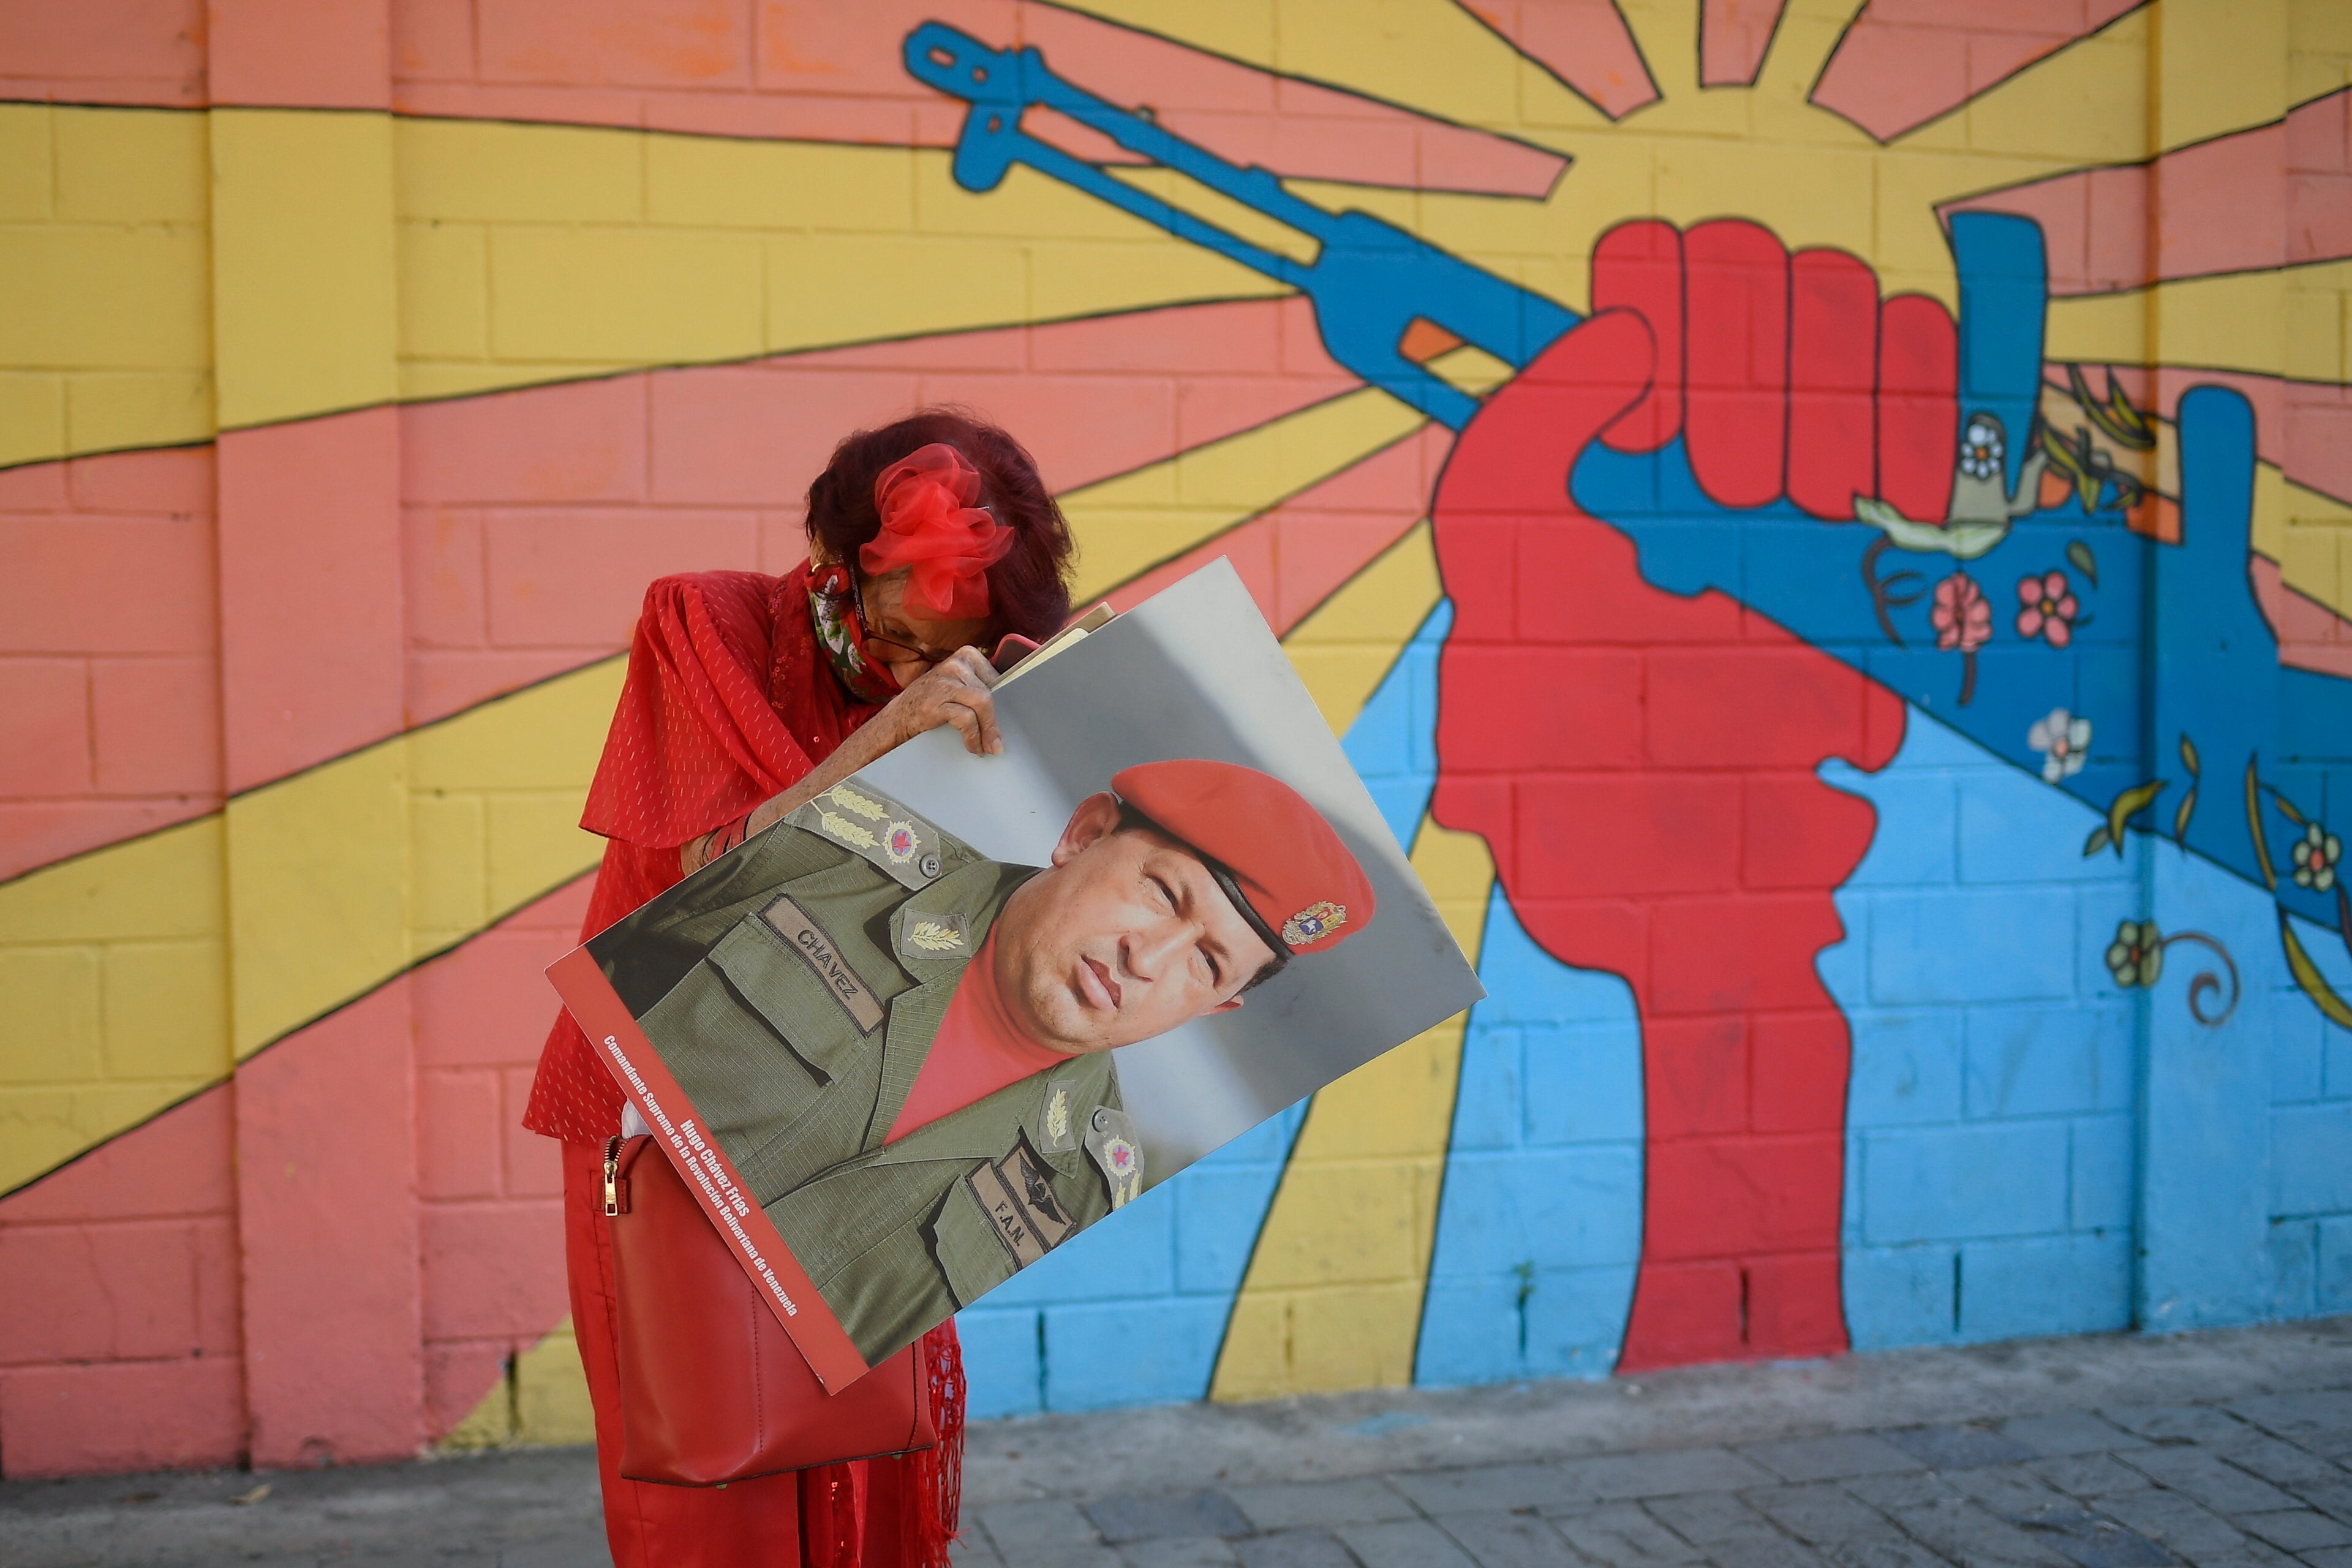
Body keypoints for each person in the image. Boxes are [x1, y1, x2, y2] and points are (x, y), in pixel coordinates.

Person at [522, 410, 1074, 1568]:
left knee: (872, 1456)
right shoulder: (705, 626)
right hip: (671, 1116)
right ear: (840, 576)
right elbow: (703, 871)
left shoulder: (990, 676)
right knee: (710, 1473)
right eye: (906, 645)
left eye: (961, 653)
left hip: (859, 1118)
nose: (932, 678)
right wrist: (883, 743)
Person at [589, 758, 1378, 1362]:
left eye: (1207, 964)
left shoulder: (1092, 1193)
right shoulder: (825, 855)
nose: (1150, 960)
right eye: (1165, 895)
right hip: (592, 1261)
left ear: (1217, 1007)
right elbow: (591, 983)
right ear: (1085, 835)